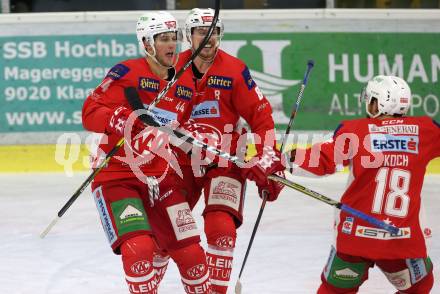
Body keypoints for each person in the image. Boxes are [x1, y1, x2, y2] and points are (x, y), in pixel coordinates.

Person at [152, 8, 285, 294]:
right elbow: (152, 114)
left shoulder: (235, 70)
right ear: (189, 35)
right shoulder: (171, 69)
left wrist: (267, 157)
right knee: (163, 235)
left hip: (225, 160)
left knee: (221, 229)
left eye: (214, 32)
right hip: (180, 162)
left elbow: (261, 119)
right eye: (202, 31)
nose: (209, 38)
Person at [82, 11, 212, 294]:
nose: (171, 45)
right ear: (147, 43)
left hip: (159, 177)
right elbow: (90, 112)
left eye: (174, 38)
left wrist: (197, 140)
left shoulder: (185, 82)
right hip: (117, 175)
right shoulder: (126, 72)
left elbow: (182, 125)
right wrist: (128, 124)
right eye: (163, 38)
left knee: (192, 255)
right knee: (139, 248)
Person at [288, 75, 439, 293]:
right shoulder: (426, 130)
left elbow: (321, 160)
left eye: (371, 100)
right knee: (421, 285)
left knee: (334, 290)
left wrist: (284, 159)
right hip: (401, 238)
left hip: (356, 235)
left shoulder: (355, 130)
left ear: (379, 104)